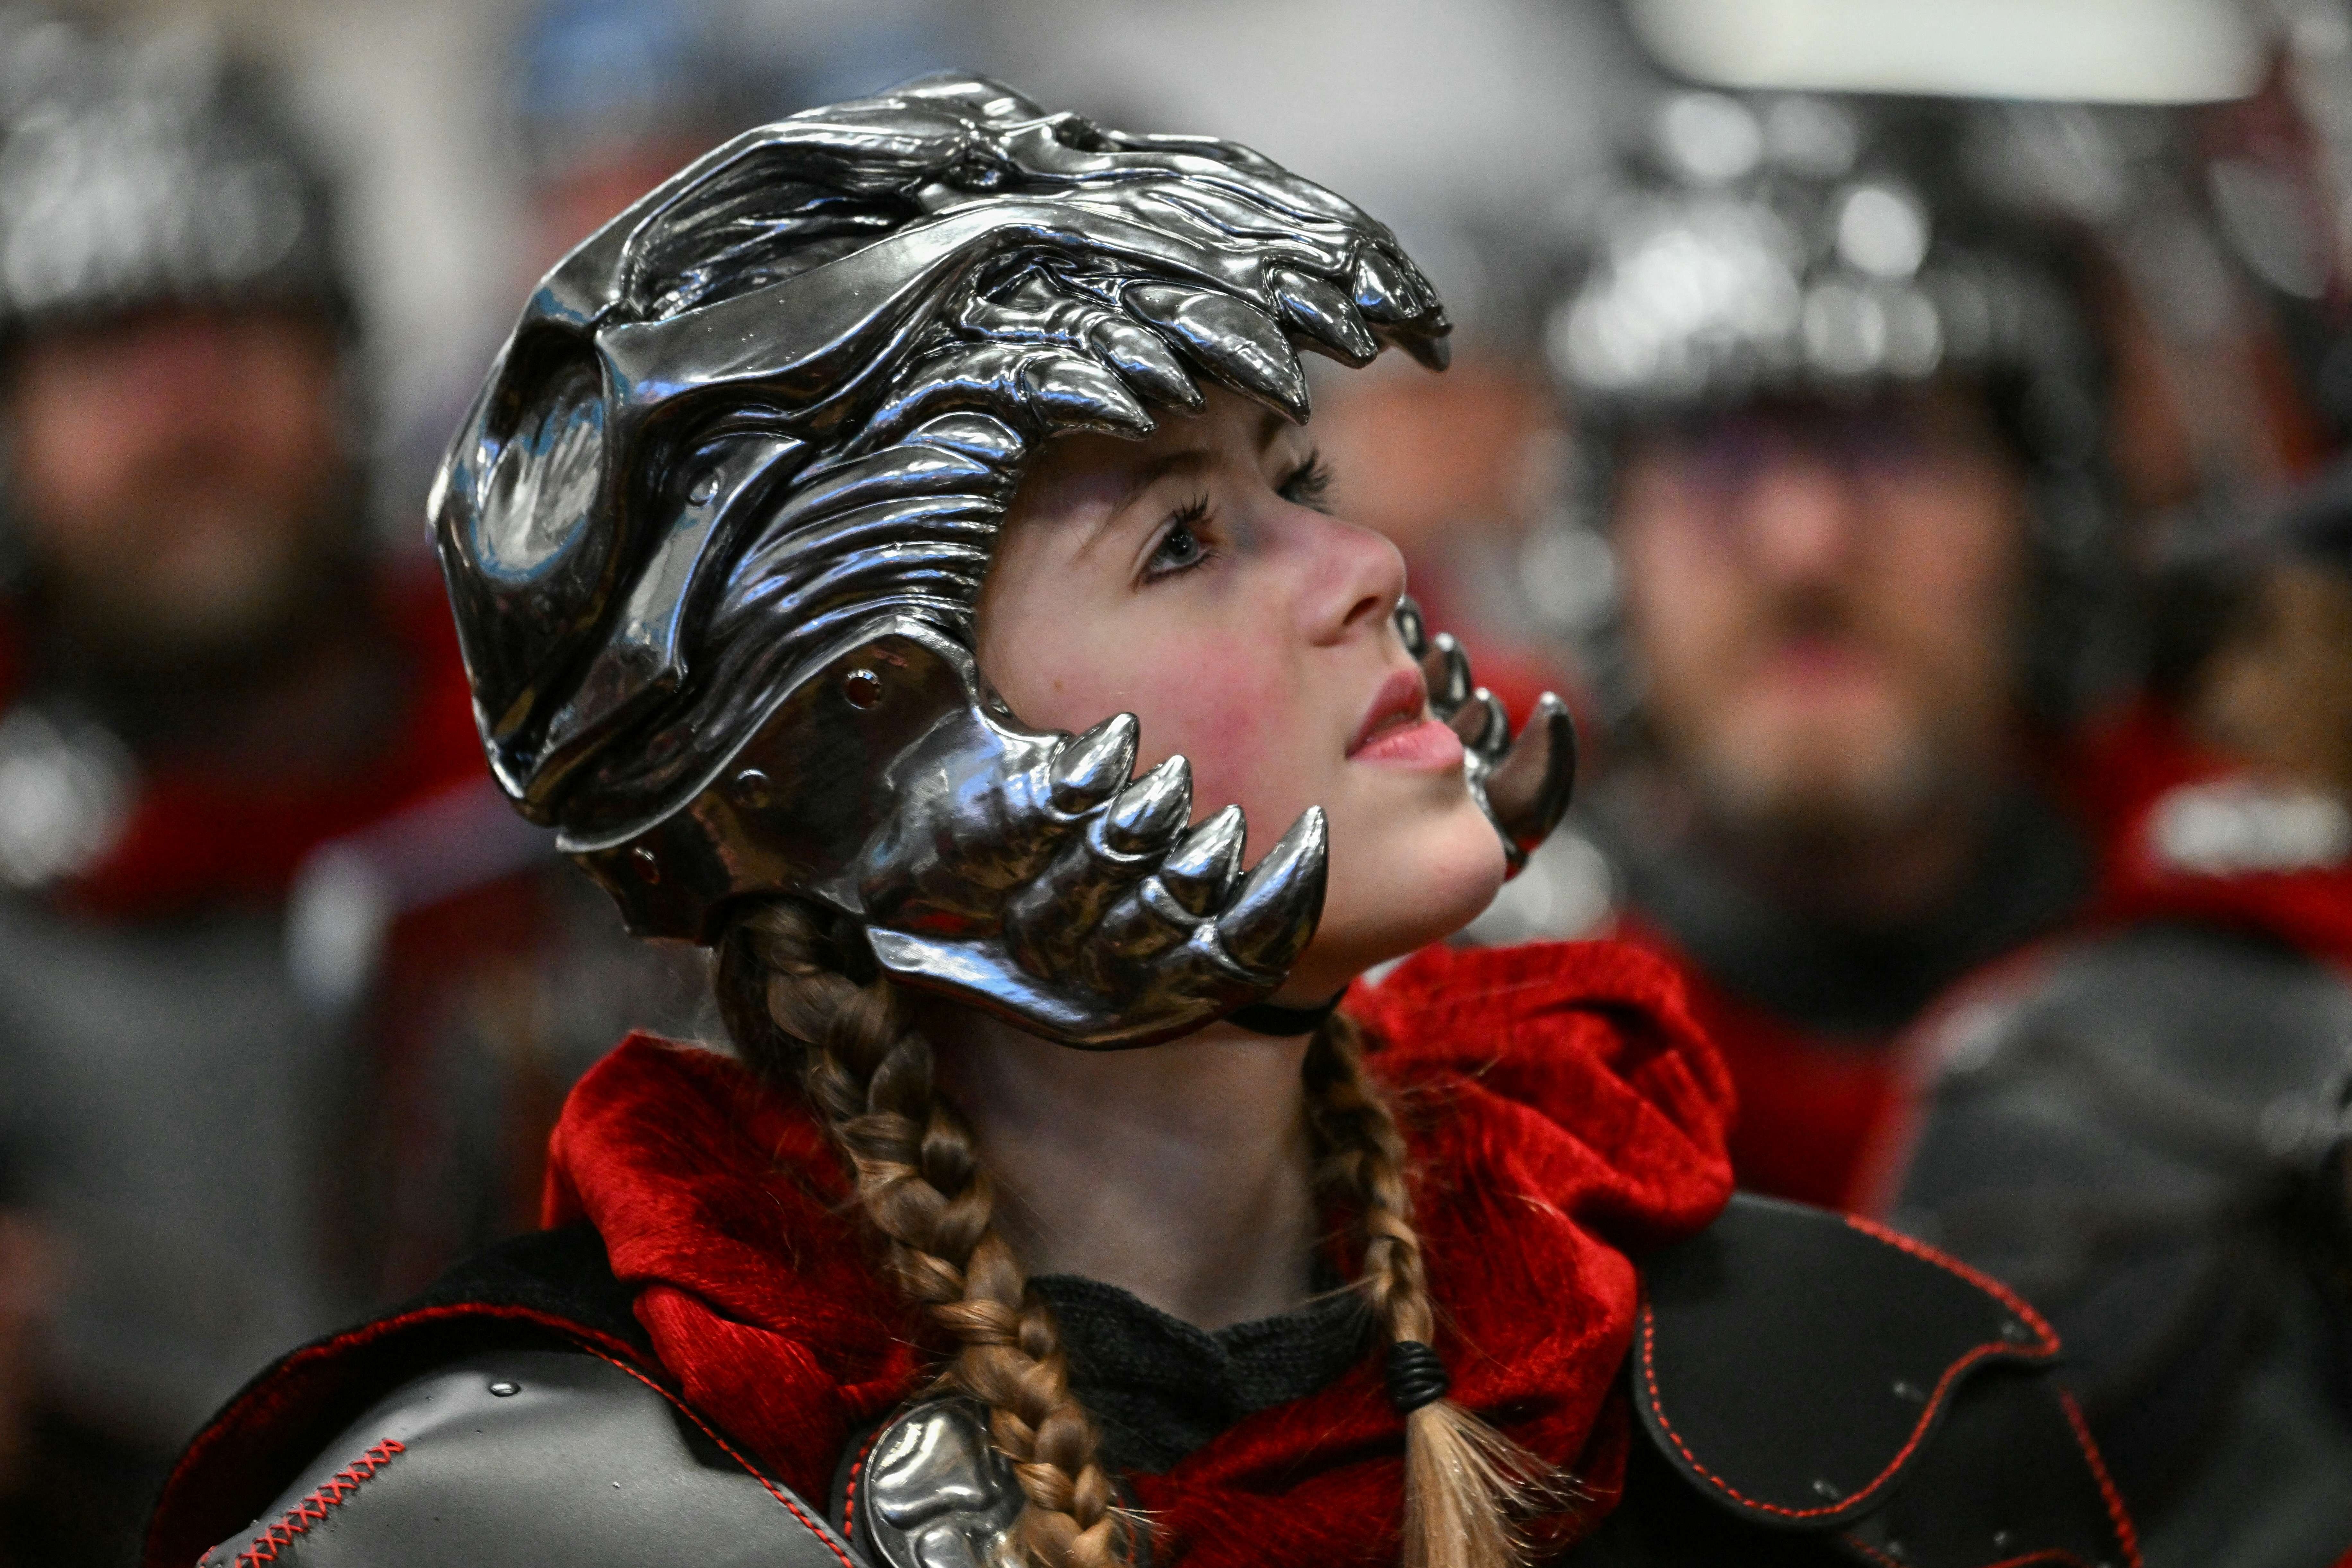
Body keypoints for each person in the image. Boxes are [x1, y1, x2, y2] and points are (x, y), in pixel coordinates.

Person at [149, 79, 2132, 1568]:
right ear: (872, 741)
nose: (1358, 562)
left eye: (1295, 475)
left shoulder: (1829, 1400)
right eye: (1185, 538)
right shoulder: (508, 1522)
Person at [0, 24, 686, 1565]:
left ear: (344, 366)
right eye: (108, 350)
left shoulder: (596, 794)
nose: (185, 413)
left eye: (237, 329)